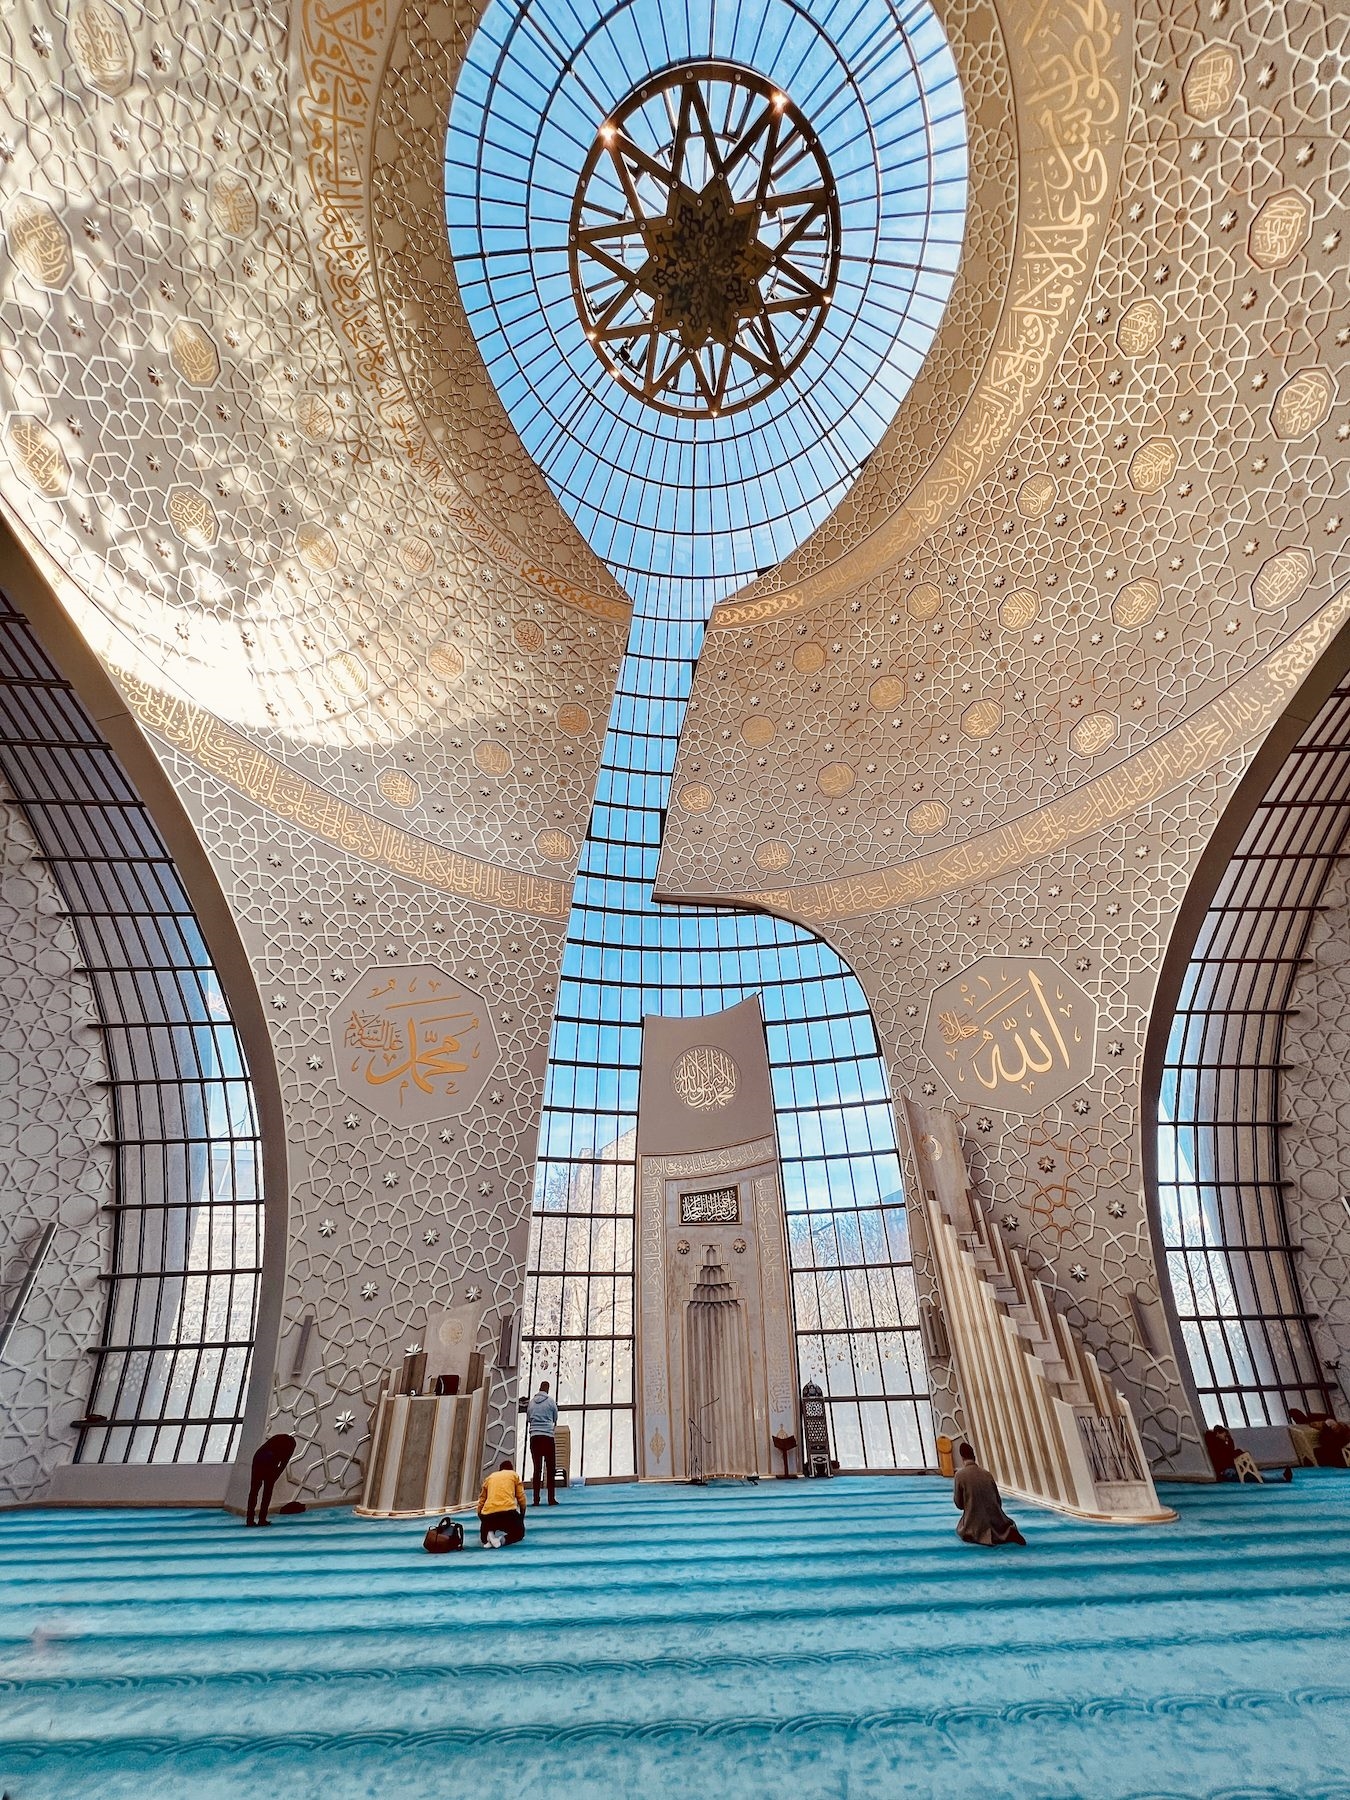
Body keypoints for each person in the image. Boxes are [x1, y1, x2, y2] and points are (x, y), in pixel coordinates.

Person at [953, 1441, 1027, 1546]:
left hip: (974, 1522)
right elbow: (998, 1501)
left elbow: (959, 1504)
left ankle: (981, 1533)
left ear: (962, 1458)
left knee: (963, 1529)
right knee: (1002, 1526)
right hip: (996, 1520)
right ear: (974, 1456)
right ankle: (1007, 1532)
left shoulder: (959, 1475)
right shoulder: (987, 1474)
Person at [246, 1432, 297, 1527]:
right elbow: (283, 1464)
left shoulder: (277, 1438)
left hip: (258, 1457)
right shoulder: (290, 1446)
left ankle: (249, 1520)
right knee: (267, 1492)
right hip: (270, 1459)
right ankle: (262, 1519)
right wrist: (273, 1478)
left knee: (254, 1490)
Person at [477, 1458, 526, 1548]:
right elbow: (521, 1497)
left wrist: (481, 1515)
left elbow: (482, 1499)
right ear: (511, 1469)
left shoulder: (490, 1477)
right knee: (519, 1533)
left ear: (500, 1470)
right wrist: (522, 1514)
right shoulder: (513, 1475)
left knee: (483, 1538)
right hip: (508, 1513)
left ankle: (489, 1534)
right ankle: (502, 1540)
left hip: (489, 1515)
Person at [527, 1379, 559, 1506]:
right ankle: (551, 1498)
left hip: (534, 1437)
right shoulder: (551, 1401)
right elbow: (555, 1417)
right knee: (550, 1469)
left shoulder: (531, 1403)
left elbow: (529, 1419)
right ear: (548, 1389)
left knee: (537, 1469)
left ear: (539, 1388)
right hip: (547, 1436)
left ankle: (536, 1499)